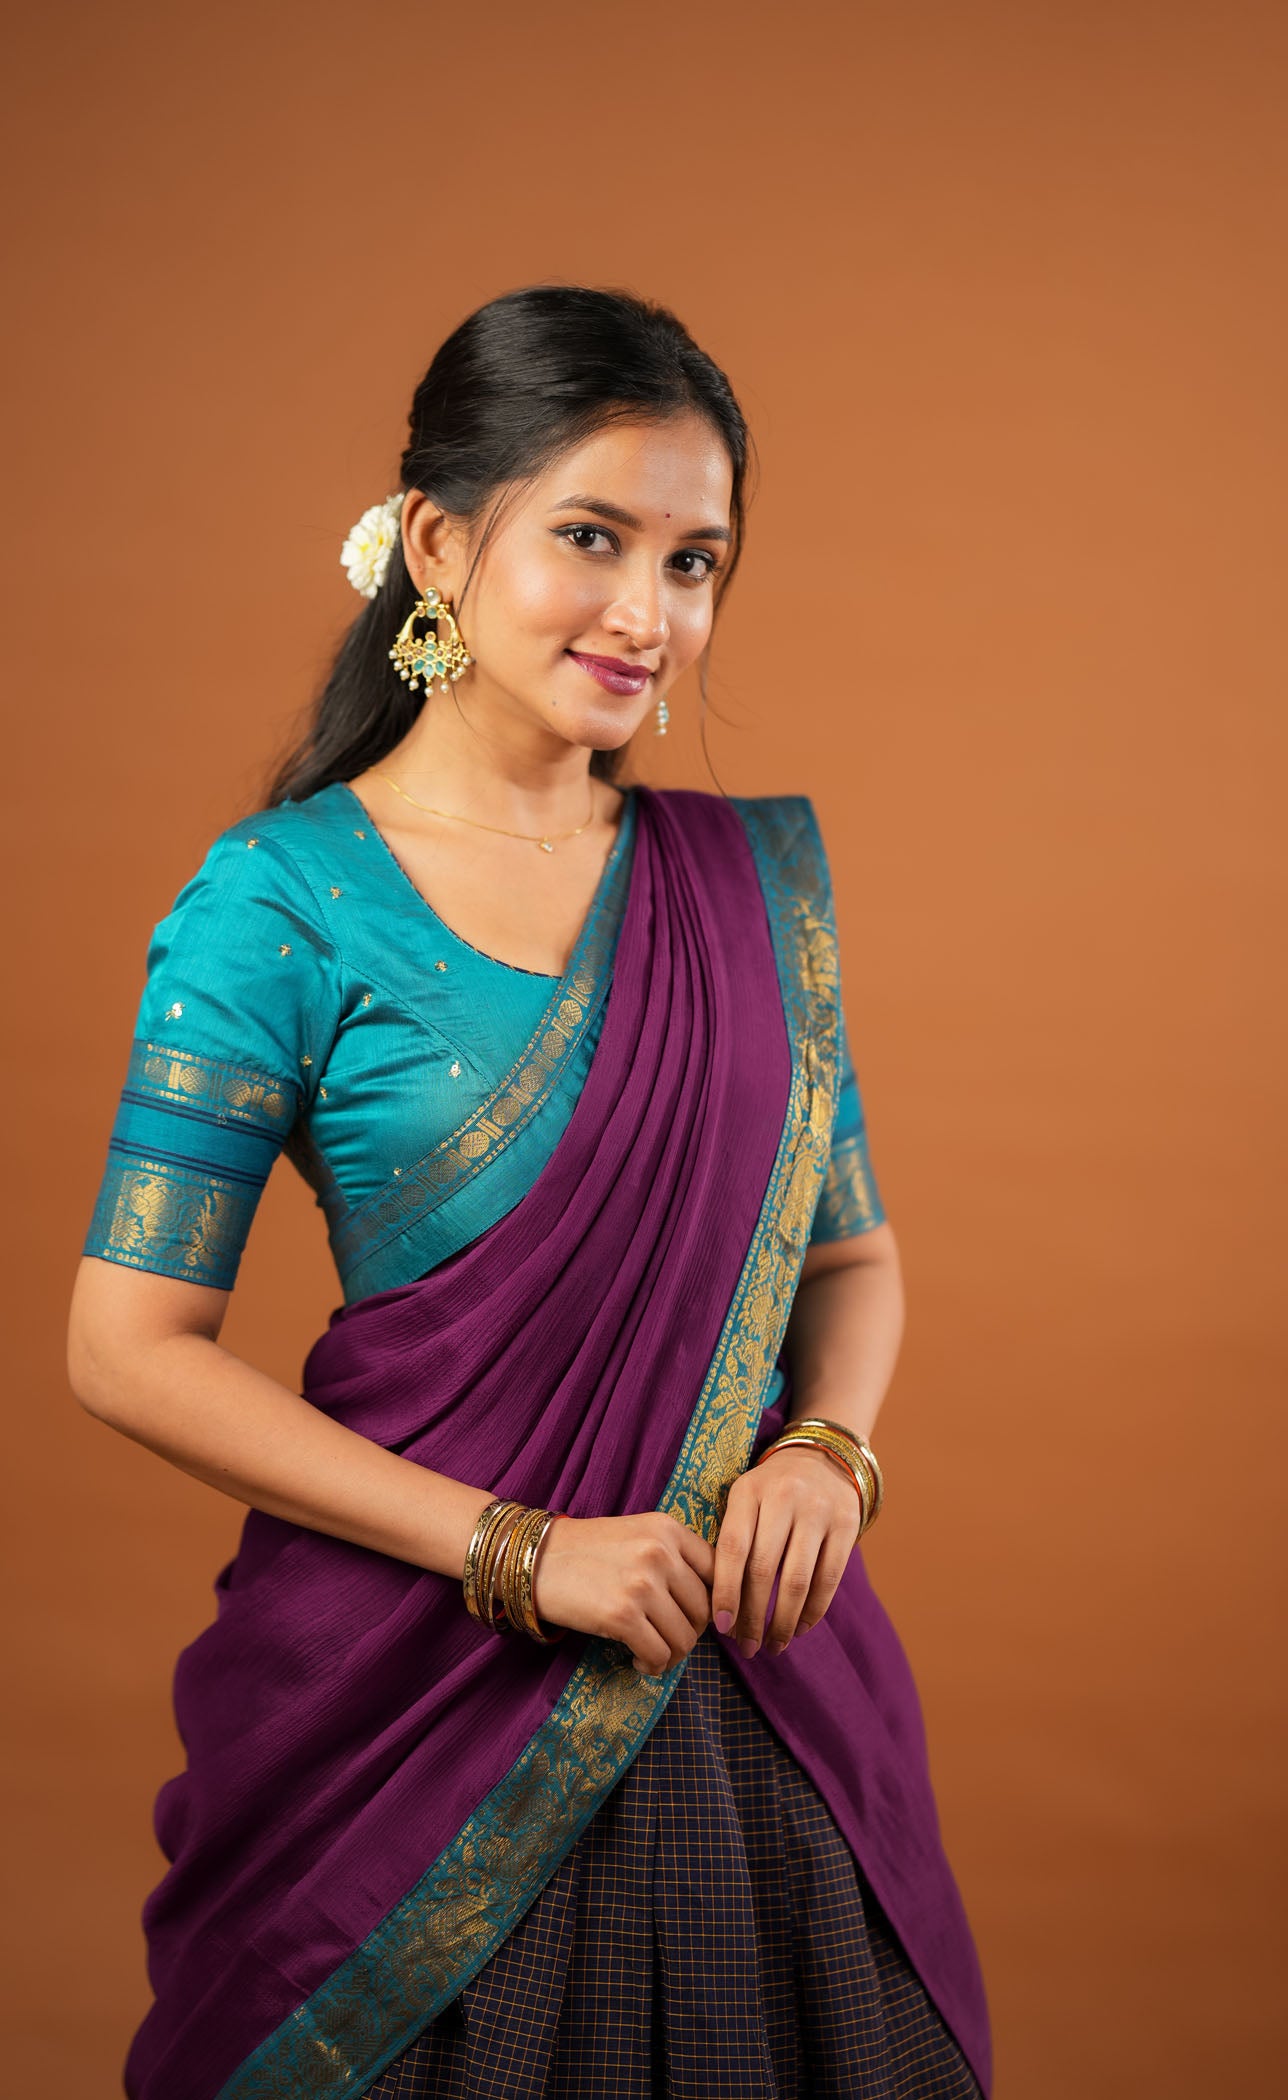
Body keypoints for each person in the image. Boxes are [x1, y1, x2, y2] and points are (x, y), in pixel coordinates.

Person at [67, 283, 993, 2100]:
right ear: (437, 544)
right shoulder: (279, 905)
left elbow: (854, 1257)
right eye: (592, 538)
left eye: (694, 561)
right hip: (409, 1709)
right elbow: (125, 1344)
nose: (649, 614)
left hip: (747, 1697)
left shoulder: (747, 890)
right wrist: (522, 1550)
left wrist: (829, 1453)